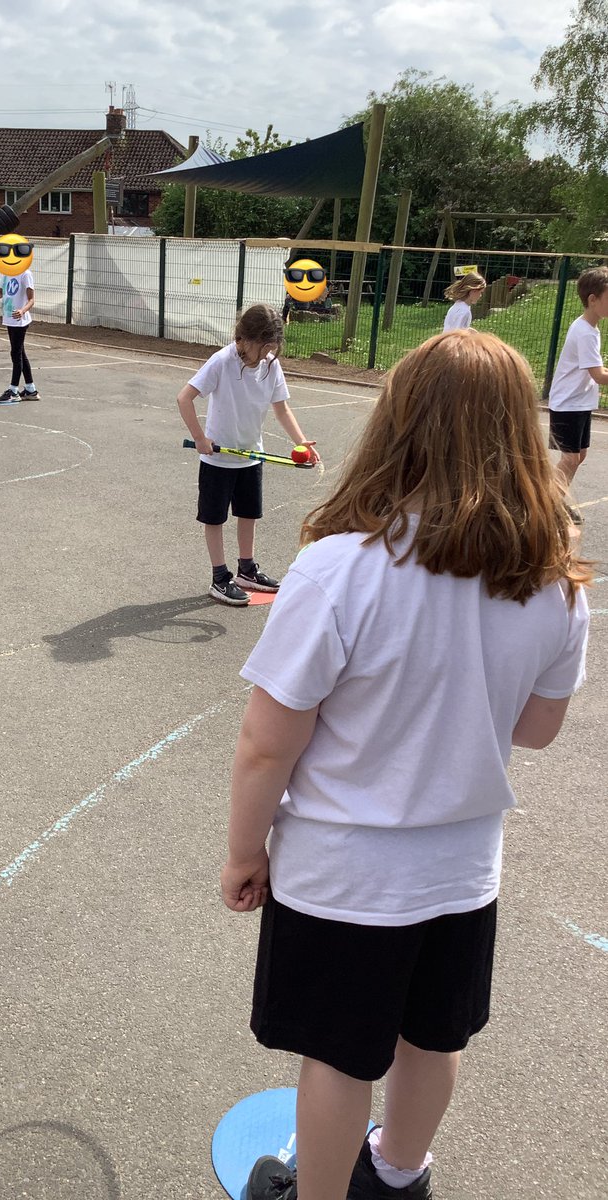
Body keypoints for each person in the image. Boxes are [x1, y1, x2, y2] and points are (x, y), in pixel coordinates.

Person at [221, 330, 590, 1200]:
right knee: (433, 1040)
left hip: (344, 873)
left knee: (340, 1058)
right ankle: (398, 1174)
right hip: (462, 871)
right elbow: (537, 731)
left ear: (399, 422)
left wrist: (244, 854)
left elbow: (267, 743)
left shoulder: (337, 568)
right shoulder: (555, 579)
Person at [176, 303, 316, 606]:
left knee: (248, 514)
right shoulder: (222, 361)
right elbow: (184, 397)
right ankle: (220, 577)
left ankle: (246, 570)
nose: (268, 353)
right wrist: (200, 439)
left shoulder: (270, 364)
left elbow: (282, 408)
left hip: (252, 455)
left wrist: (302, 442)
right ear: (245, 339)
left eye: (272, 347)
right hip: (217, 458)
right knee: (214, 518)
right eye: (263, 347)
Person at [548, 264, 608, 501]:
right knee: (571, 458)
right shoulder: (583, 331)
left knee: (579, 455)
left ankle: (555, 499)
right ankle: (548, 503)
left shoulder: (592, 328)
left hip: (579, 403)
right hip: (567, 404)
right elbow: (599, 376)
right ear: (593, 299)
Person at [0, 269, 38, 403]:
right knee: (20, 354)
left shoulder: (26, 274)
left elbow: (31, 300)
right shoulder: (6, 273)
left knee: (15, 354)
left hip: (20, 321)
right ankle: (30, 390)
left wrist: (22, 311)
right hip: (9, 319)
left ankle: (13, 391)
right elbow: (1, 293)